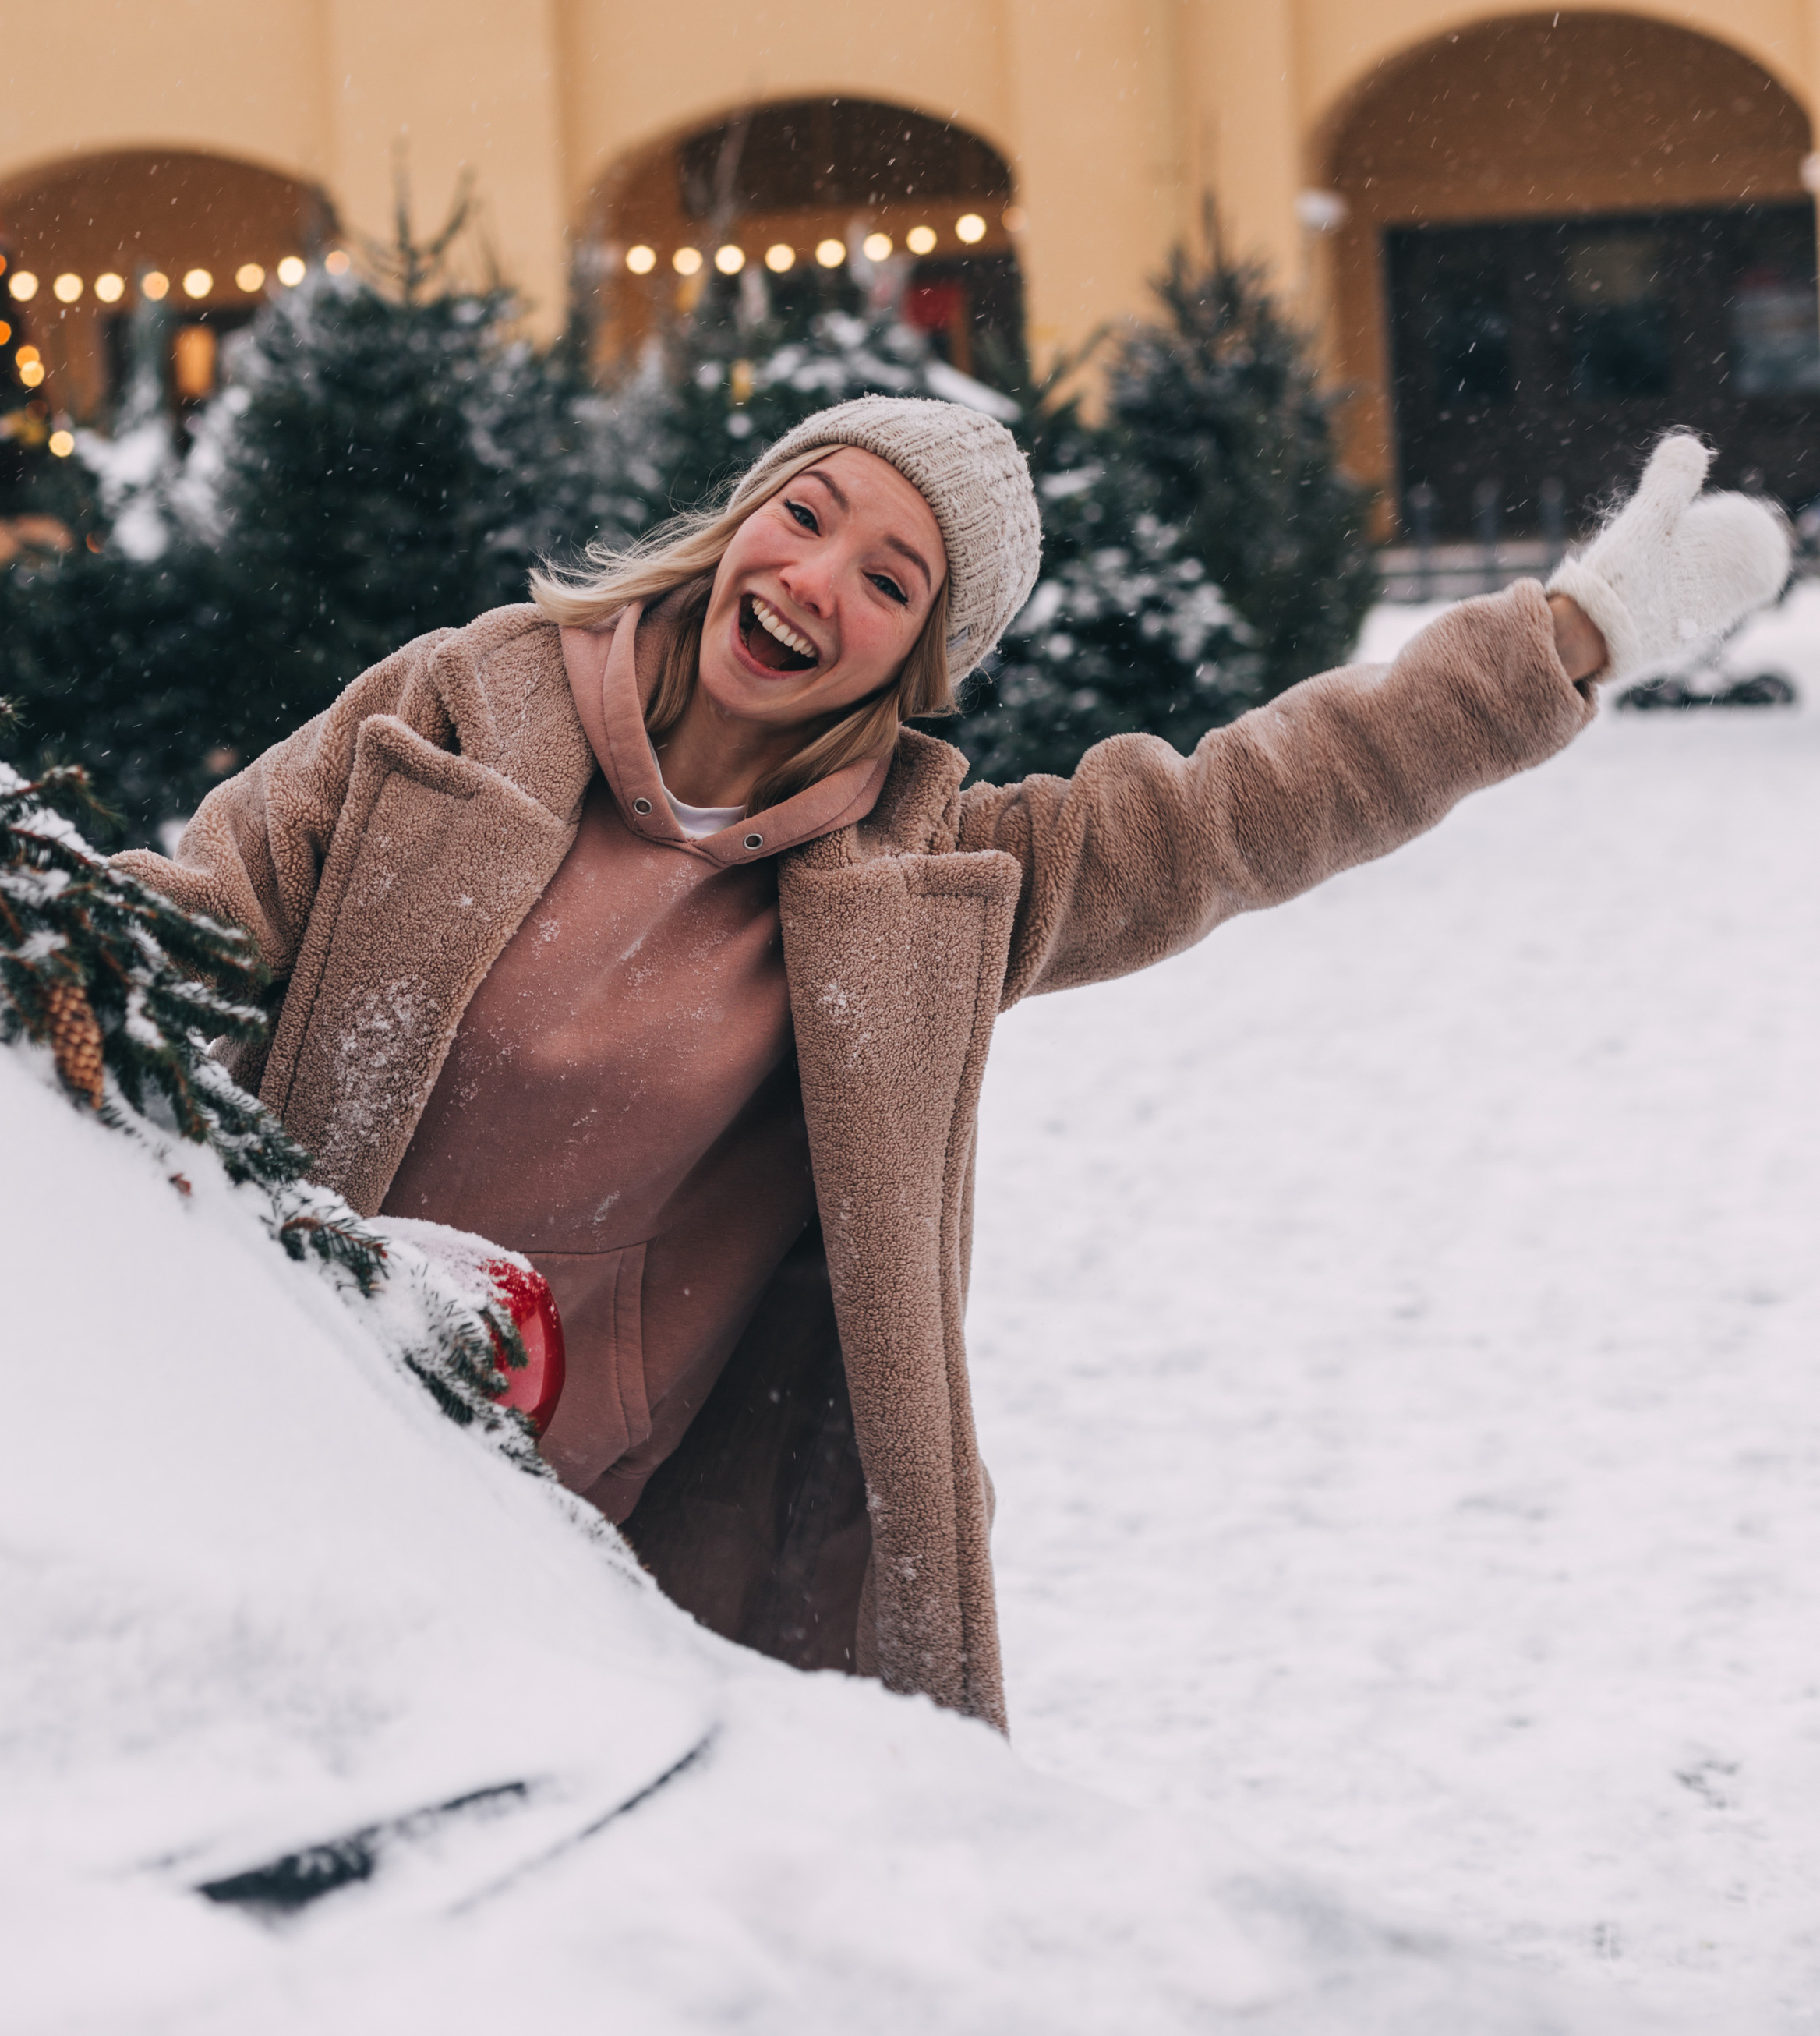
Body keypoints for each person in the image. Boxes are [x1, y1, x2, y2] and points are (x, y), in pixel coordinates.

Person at [121, 405, 1786, 1730]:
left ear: (914, 665)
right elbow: (200, 910)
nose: (813, 576)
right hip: (257, 1401)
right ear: (739, 519)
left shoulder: (927, 891)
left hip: (568, 1520)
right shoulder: (457, 706)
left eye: (889, 577)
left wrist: (1560, 638)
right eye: (808, 511)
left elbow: (1245, 805)